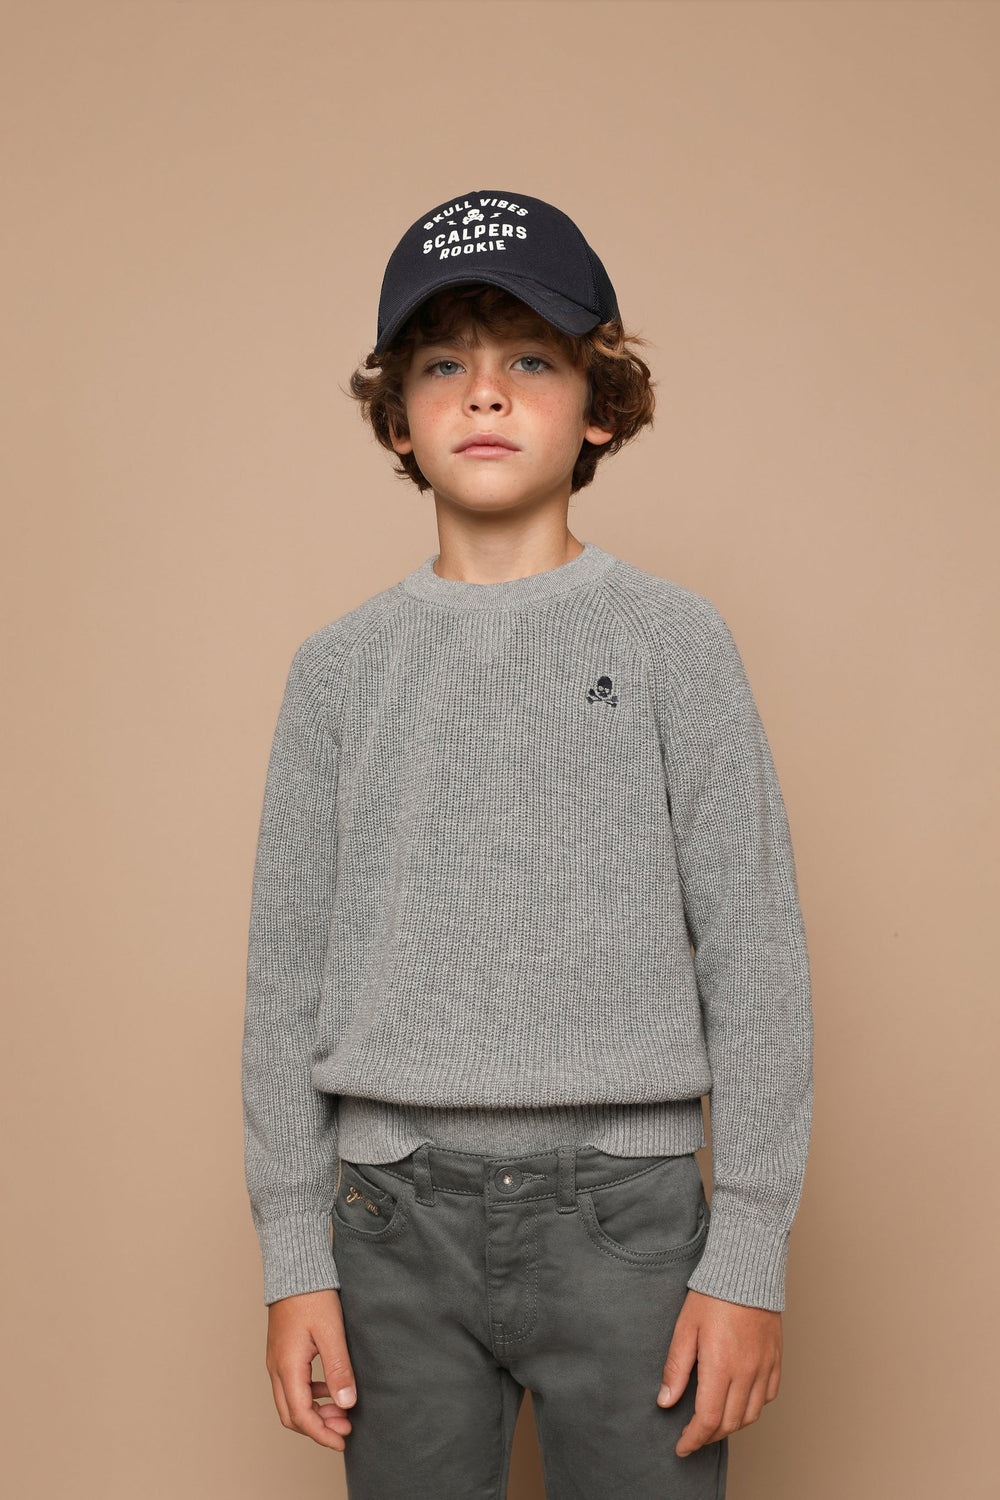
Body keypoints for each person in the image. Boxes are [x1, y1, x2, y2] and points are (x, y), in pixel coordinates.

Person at [241, 188, 814, 1499]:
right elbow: (283, 982)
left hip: (630, 1213)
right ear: (397, 417)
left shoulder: (674, 643)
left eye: (531, 363)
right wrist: (294, 1258)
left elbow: (757, 957)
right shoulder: (337, 671)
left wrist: (749, 1252)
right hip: (390, 1218)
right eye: (444, 364)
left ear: (599, 406)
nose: (486, 393)